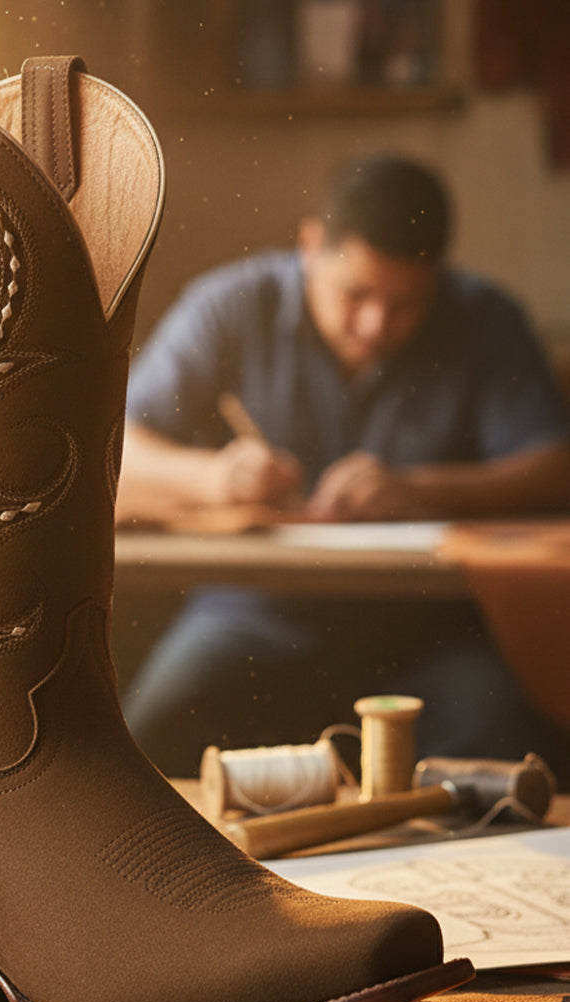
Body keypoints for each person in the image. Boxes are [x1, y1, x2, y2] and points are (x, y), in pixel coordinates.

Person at [118, 154, 570, 778]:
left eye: (406, 303)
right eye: (356, 293)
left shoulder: (485, 319)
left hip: (429, 629)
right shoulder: (231, 304)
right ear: (311, 245)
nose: (376, 324)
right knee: (138, 754)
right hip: (253, 615)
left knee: (515, 759)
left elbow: (553, 467)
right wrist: (213, 478)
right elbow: (116, 448)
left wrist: (419, 490)